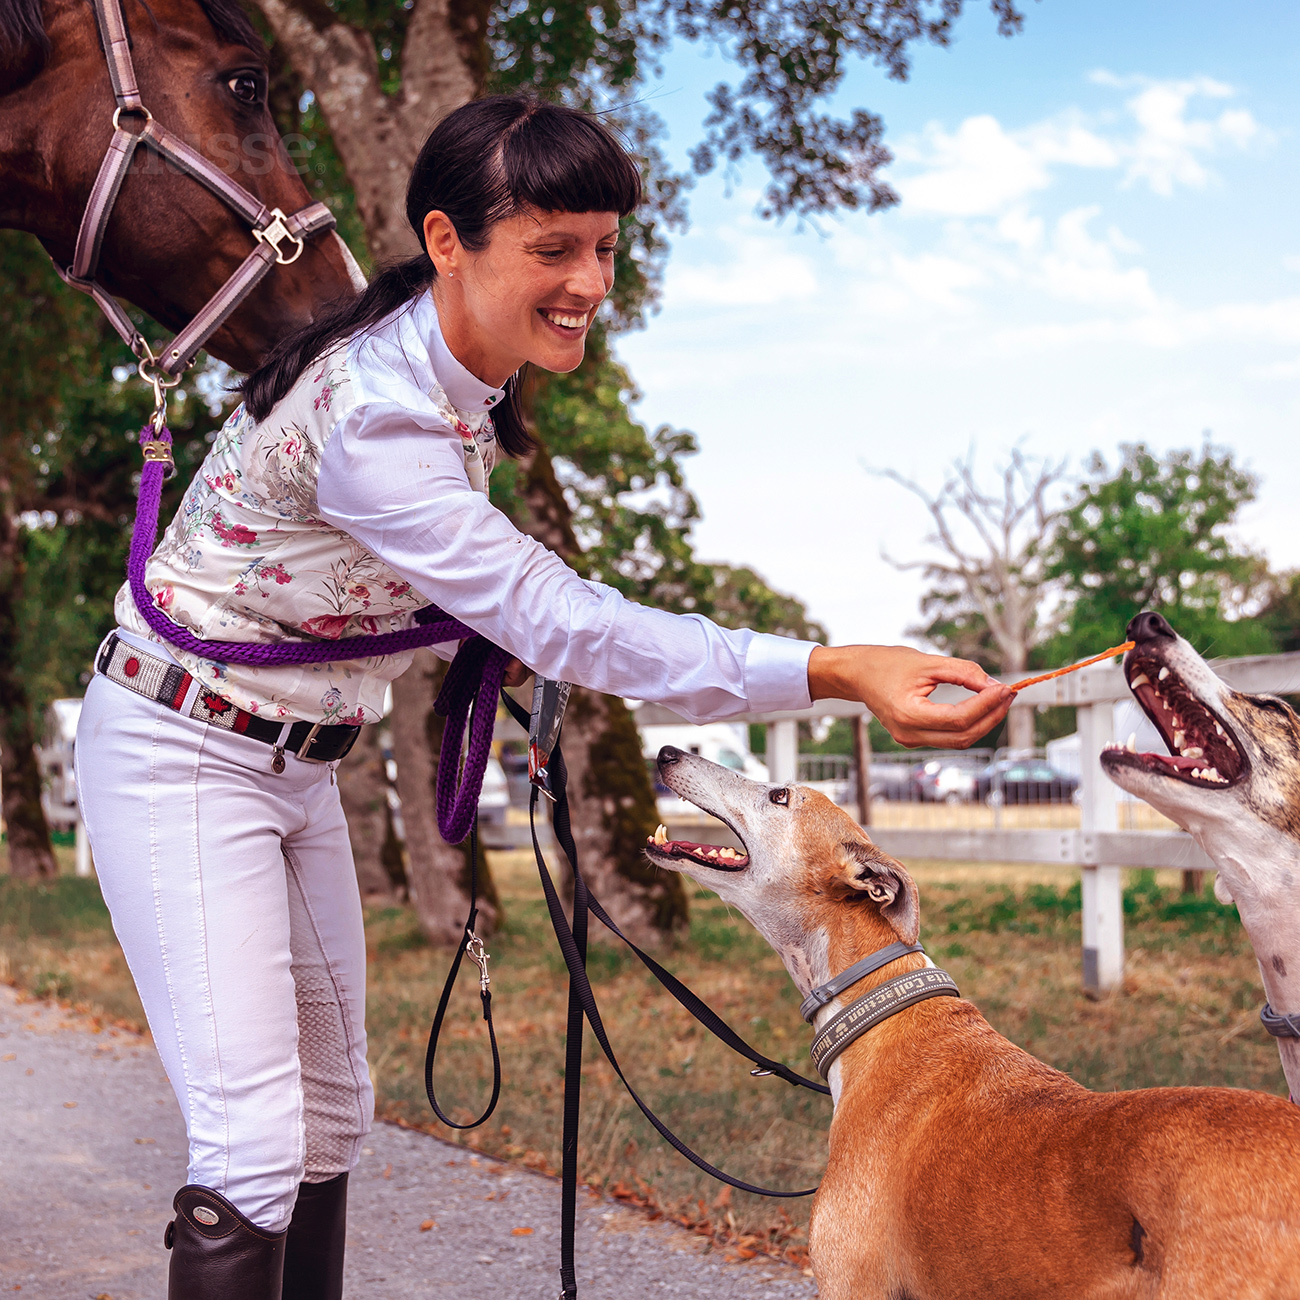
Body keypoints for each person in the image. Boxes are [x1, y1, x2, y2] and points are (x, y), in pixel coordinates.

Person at [74, 94, 1012, 1299]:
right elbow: (566, 618)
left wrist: (472, 627)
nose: (588, 282)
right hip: (182, 749)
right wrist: (832, 670)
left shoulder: (461, 374)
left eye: (606, 247)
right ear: (448, 239)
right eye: (552, 249)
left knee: (330, 1115)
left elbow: (411, 577)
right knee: (253, 1138)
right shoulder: (382, 414)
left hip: (291, 761)